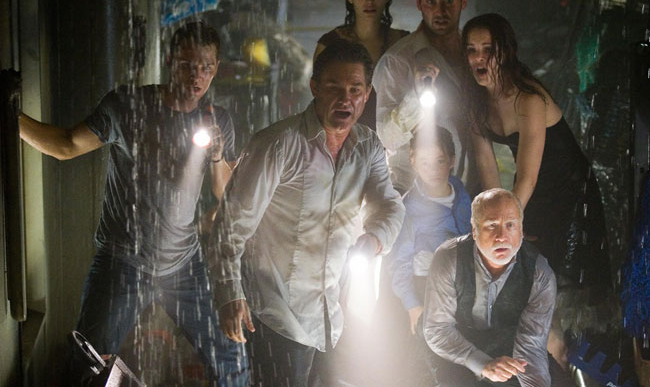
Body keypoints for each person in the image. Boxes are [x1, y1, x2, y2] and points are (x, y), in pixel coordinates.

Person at [18, 22, 248, 385]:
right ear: (170, 60)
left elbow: (225, 193)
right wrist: (12, 119)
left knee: (231, 358)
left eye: (206, 67)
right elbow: (66, 145)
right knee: (86, 364)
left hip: (183, 264)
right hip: (123, 261)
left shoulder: (217, 120)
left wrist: (218, 155)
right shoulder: (129, 106)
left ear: (216, 68)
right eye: (188, 65)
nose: (197, 77)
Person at [207, 39, 405, 387]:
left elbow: (389, 204)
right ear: (315, 87)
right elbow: (230, 226)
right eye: (334, 88)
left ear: (367, 93)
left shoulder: (368, 146)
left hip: (334, 312)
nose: (345, 99)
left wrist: (374, 238)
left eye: (355, 90)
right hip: (276, 312)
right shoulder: (277, 144)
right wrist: (229, 293)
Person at [463, 13, 611, 365]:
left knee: (562, 296)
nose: (478, 58)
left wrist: (508, 225)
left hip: (570, 196)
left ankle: (571, 366)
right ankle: (546, 364)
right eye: (471, 50)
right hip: (531, 199)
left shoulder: (529, 98)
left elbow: (527, 177)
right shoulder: (475, 103)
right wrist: (493, 223)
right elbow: (488, 173)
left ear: (506, 51)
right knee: (528, 287)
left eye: (488, 49)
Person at [423, 188, 556, 387]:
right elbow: (438, 329)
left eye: (510, 225)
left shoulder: (539, 273)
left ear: (521, 229)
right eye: (492, 226)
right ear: (474, 230)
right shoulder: (449, 259)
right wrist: (483, 365)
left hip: (506, 348)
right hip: (452, 349)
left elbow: (531, 344)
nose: (502, 236)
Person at [374, 0, 477, 195]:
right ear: (419, 3)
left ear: (463, 1)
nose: (440, 11)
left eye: (448, 0)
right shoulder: (397, 61)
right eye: (431, 1)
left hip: (469, 189)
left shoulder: (475, 54)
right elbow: (387, 138)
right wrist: (417, 97)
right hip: (415, 195)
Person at [390, 126, 471, 336]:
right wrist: (412, 305)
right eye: (424, 162)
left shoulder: (460, 192)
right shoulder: (409, 209)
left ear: (452, 161)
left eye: (440, 161)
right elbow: (400, 262)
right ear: (413, 161)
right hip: (428, 283)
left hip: (463, 279)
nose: (433, 169)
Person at [314, 0, 409, 129]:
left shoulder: (403, 42)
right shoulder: (331, 43)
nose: (369, 0)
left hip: (396, 134)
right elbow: (319, 98)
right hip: (344, 133)